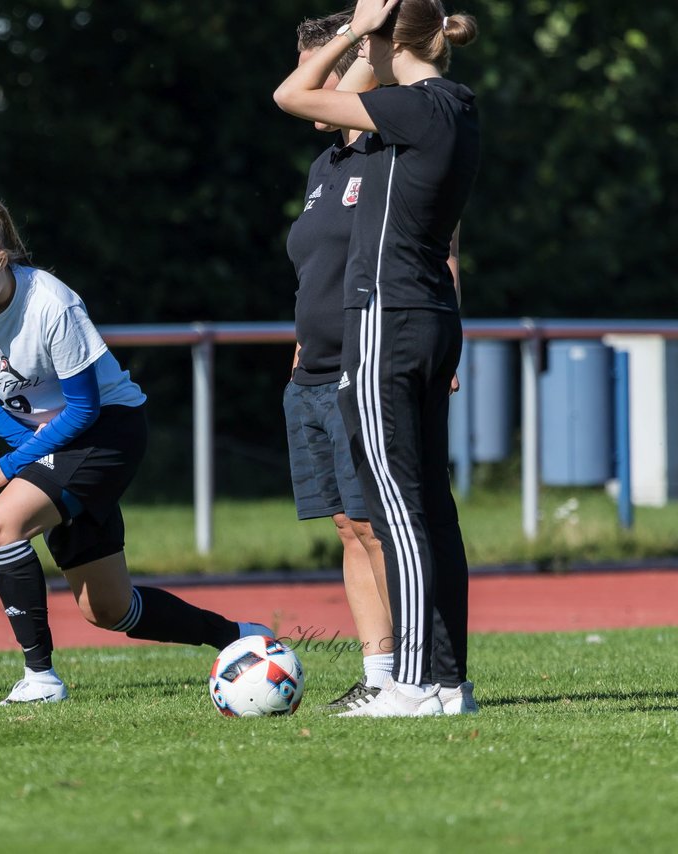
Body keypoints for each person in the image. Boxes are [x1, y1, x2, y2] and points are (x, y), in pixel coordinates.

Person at [0, 200, 271, 705]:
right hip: (51, 441)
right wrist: (29, 447)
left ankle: (40, 678)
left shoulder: (52, 304)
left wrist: (11, 464)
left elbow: (84, 410)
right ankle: (239, 635)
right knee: (109, 610)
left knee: (2, 525)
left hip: (107, 432)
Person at [274, 0, 479, 717]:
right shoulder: (451, 106)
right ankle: (448, 684)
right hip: (421, 317)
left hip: (386, 320)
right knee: (429, 508)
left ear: (390, 45)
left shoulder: (415, 109)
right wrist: (375, 33)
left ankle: (413, 683)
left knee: (398, 512)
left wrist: (356, 30)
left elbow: (292, 95)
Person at [284, 12, 396, 711]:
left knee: (381, 525)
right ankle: (378, 676)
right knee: (349, 527)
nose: (311, 83)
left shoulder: (391, 147)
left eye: (322, 64)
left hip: (367, 364)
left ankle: (414, 670)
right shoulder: (323, 168)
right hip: (312, 373)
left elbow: (439, 254)